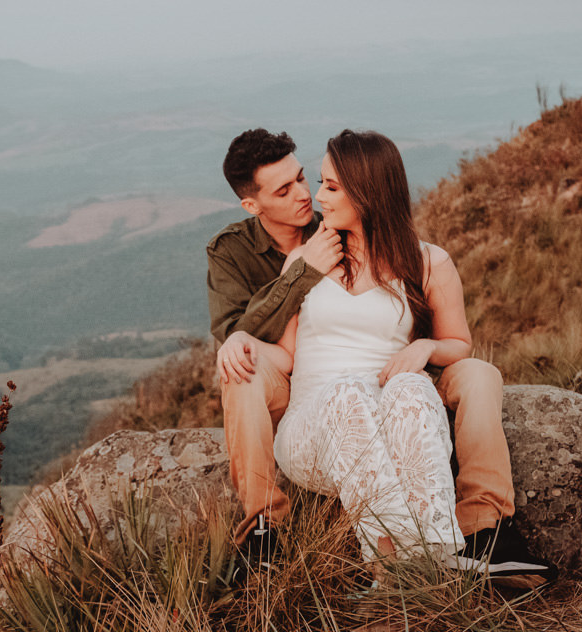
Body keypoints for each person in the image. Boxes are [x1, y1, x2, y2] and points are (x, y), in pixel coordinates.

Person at [207, 128, 555, 584]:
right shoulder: (305, 259)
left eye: (325, 185)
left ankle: (468, 543)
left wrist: (425, 347)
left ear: (368, 194)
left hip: (386, 401)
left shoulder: (428, 261)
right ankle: (380, 563)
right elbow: (287, 356)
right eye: (304, 186)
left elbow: (458, 342)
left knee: (420, 384)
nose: (313, 197)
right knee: (344, 389)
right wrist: (240, 340)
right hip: (318, 418)